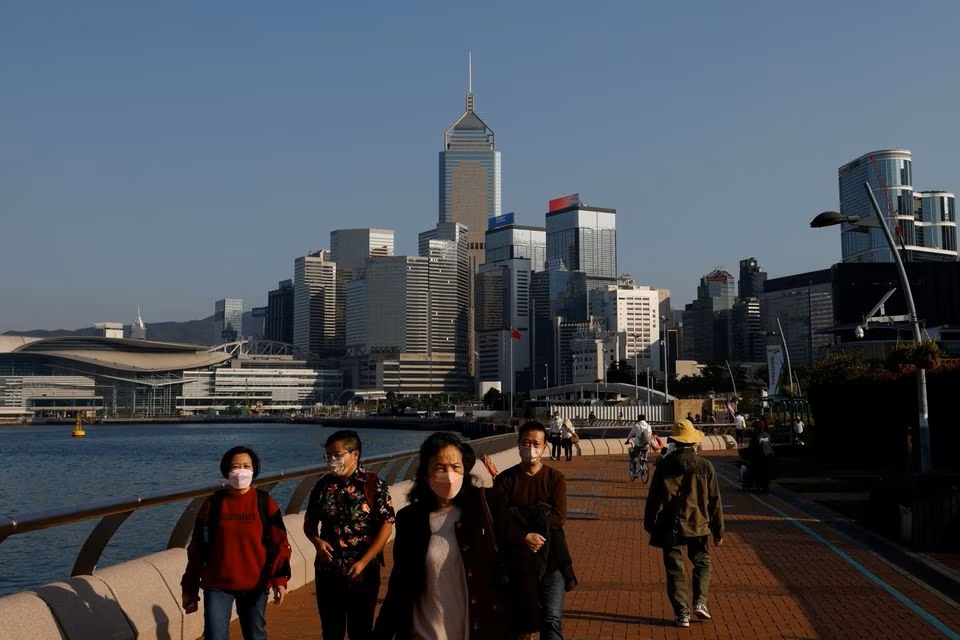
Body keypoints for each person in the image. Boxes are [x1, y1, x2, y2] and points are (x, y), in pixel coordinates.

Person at [373, 432, 513, 640]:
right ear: (425, 473)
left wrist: (523, 623)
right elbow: (400, 584)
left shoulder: (486, 508)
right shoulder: (410, 519)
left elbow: (511, 565)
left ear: (465, 470)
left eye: (455, 467)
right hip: (424, 633)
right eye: (440, 467)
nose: (449, 474)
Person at [181, 446, 292, 640]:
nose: (241, 471)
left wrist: (279, 580)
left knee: (255, 635)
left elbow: (280, 543)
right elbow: (197, 547)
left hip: (255, 584)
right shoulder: (213, 504)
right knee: (215, 636)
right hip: (217, 584)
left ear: (254, 470)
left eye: (246, 466)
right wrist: (189, 586)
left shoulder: (264, 502)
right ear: (226, 470)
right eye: (235, 466)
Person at [304, 430, 395, 640]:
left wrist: (364, 561)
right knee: (331, 630)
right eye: (328, 456)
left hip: (363, 571)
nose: (332, 460)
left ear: (355, 454)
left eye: (337, 455)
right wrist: (316, 541)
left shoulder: (374, 485)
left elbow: (386, 526)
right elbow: (310, 522)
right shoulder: (323, 485)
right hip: (328, 570)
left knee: (361, 630)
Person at [492, 421, 574, 640]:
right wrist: (524, 536)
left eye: (536, 443)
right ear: (518, 445)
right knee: (519, 625)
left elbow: (559, 517)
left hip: (551, 561)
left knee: (552, 620)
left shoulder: (555, 479)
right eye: (526, 443)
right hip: (516, 562)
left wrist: (519, 519)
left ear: (545, 446)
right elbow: (499, 519)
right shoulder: (504, 480)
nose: (531, 448)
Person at [644, 420, 724, 629]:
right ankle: (700, 600)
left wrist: (650, 523)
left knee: (674, 570)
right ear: (693, 443)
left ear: (676, 442)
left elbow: (653, 498)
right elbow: (715, 500)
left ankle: (682, 614)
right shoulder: (705, 466)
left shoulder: (664, 465)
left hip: (670, 524)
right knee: (703, 562)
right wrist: (718, 530)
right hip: (699, 524)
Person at [747, 420, 776, 492]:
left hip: (760, 458)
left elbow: (752, 448)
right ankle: (763, 484)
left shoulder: (755, 436)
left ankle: (758, 483)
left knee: (753, 467)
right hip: (769, 457)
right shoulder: (767, 435)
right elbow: (770, 445)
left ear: (756, 428)